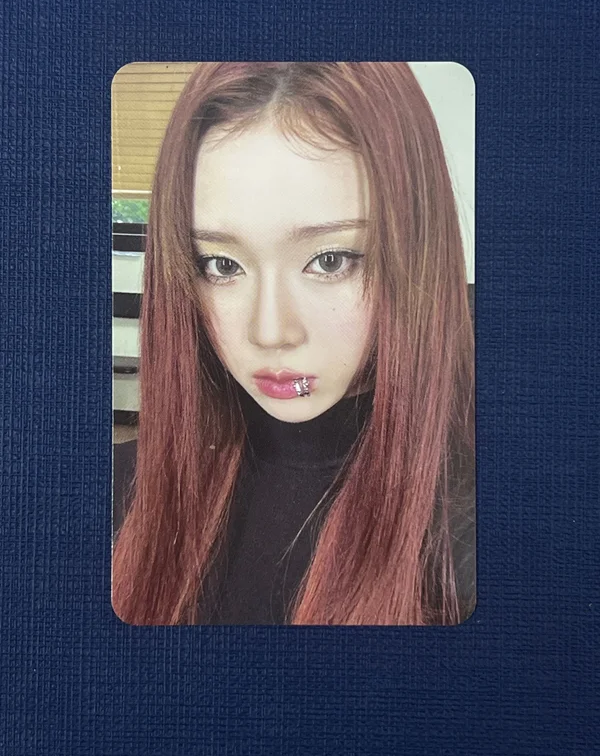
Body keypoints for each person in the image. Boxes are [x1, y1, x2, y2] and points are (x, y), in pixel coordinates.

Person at [112, 62, 475, 626]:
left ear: (416, 253)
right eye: (221, 264)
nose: (270, 332)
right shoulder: (121, 492)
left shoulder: (469, 539)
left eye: (330, 260)